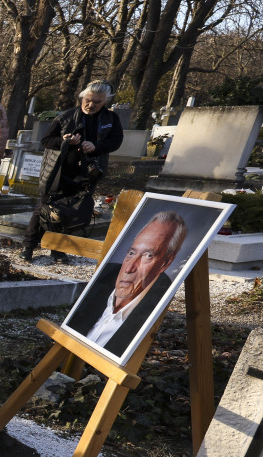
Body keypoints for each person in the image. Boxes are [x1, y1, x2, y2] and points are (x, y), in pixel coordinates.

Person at [22, 81, 124, 262]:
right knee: (43, 209)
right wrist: (64, 141)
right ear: (82, 97)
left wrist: (96, 147)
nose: (91, 105)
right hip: (59, 172)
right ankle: (28, 247)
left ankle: (58, 250)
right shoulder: (66, 116)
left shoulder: (111, 119)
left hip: (88, 173)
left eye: (97, 102)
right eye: (88, 100)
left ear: (105, 101)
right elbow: (46, 141)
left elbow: (115, 143)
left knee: (71, 213)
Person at [65, 211, 187, 356]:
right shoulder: (102, 281)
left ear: (165, 263)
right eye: (131, 253)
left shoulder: (150, 310)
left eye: (148, 256)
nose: (129, 268)